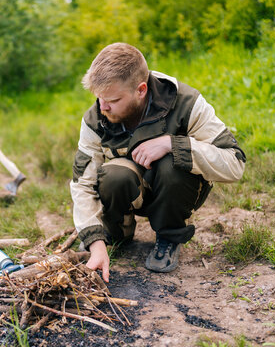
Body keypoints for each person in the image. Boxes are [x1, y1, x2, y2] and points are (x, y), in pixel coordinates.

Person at [70, 43, 246, 282]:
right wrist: (94, 240)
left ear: (141, 90)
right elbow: (82, 184)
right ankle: (117, 231)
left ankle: (169, 236)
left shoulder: (186, 103)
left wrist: (173, 144)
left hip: (177, 187)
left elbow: (234, 163)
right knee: (113, 175)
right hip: (132, 186)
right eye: (98, 98)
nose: (103, 107)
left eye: (112, 99)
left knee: (173, 163)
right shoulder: (96, 118)